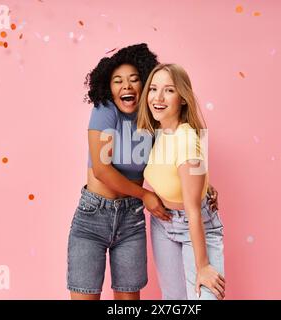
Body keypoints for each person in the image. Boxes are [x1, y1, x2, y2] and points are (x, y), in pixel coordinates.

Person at [67, 44, 219, 300]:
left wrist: (203, 185)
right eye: (118, 81)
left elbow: (178, 149)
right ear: (108, 87)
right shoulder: (105, 110)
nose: (126, 86)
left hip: (131, 218)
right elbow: (102, 170)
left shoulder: (152, 116)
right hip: (93, 215)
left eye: (134, 80)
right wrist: (145, 195)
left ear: (144, 85)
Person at [137, 63, 225, 300]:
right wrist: (205, 185)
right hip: (164, 223)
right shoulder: (159, 131)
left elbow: (193, 210)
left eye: (169, 90)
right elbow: (181, 172)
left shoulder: (186, 141)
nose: (158, 97)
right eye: (153, 89)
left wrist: (203, 266)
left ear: (183, 98)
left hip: (194, 224)